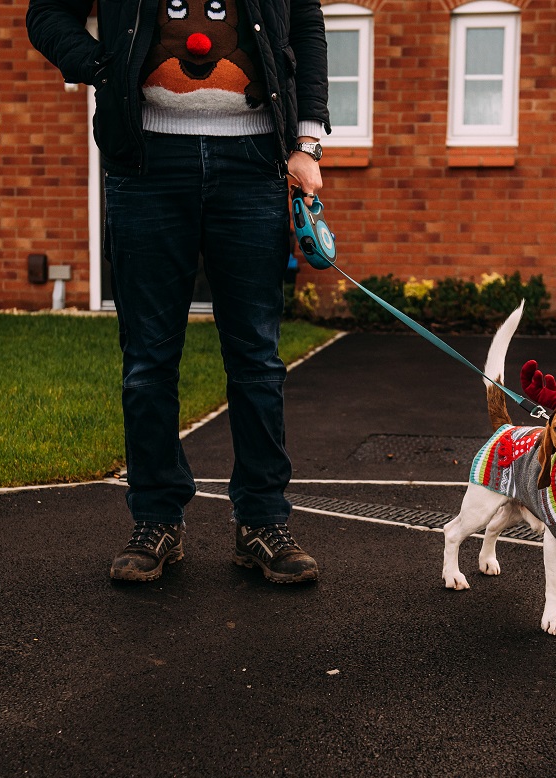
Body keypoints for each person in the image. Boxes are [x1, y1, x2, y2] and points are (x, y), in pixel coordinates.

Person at [27, 0, 330, 583]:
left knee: (257, 359)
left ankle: (263, 521)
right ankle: (157, 519)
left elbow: (307, 27)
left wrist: (308, 140)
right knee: (147, 360)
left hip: (254, 160)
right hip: (144, 162)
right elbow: (47, 12)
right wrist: (103, 65)